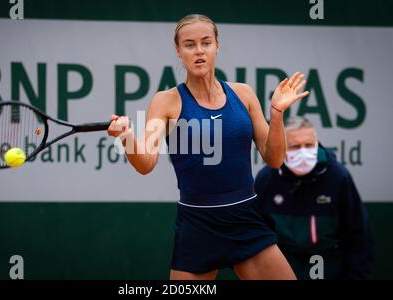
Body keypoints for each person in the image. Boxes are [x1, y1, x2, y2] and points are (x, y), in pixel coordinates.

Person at [107, 14, 309, 280]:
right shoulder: (166, 102)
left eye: (206, 42)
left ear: (217, 46)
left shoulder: (244, 94)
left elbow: (274, 159)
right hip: (197, 226)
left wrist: (277, 113)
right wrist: (126, 136)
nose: (199, 50)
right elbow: (145, 163)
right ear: (179, 52)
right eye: (189, 45)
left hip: (245, 220)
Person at [254, 116, 375, 279]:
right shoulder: (266, 178)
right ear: (281, 147)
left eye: (309, 145)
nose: (303, 152)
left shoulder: (338, 176)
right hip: (281, 269)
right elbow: (256, 237)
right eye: (295, 147)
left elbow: (358, 237)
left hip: (329, 268)